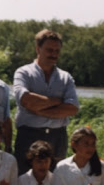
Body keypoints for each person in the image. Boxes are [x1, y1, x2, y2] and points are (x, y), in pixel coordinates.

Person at [13, 29, 80, 174]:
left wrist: (39, 109)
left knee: (56, 182)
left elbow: (73, 109)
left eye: (57, 51)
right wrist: (56, 101)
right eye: (49, 50)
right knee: (25, 182)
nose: (54, 54)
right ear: (38, 49)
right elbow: (26, 100)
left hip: (57, 137)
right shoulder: (23, 73)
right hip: (29, 136)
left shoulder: (65, 77)